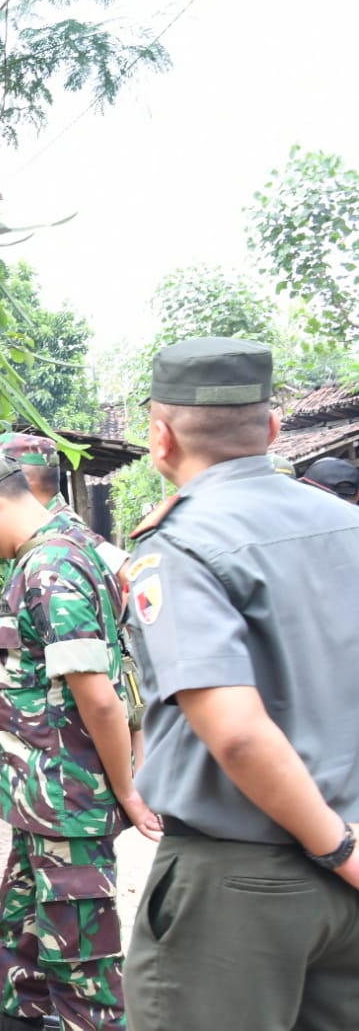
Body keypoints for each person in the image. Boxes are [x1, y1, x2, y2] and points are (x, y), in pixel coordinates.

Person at [122, 337, 359, 1031]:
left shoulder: (180, 546)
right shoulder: (348, 527)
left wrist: (335, 848)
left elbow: (236, 732)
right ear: (273, 429)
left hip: (238, 888)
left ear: (158, 438)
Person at [0, 448, 157, 1031]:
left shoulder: (54, 568)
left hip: (67, 807)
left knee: (83, 975)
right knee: (23, 947)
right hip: (42, 807)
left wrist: (129, 789)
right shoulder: (58, 555)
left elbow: (102, 695)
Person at [0, 432, 146, 767]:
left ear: (24, 483)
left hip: (76, 723)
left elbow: (131, 575)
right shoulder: (46, 529)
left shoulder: (65, 531)